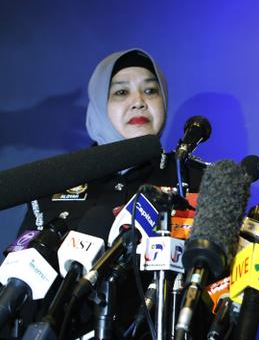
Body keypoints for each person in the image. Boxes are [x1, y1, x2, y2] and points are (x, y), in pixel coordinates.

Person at [18, 48, 201, 234]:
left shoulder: (197, 179)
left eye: (150, 90)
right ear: (98, 104)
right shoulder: (56, 182)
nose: (139, 102)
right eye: (121, 92)